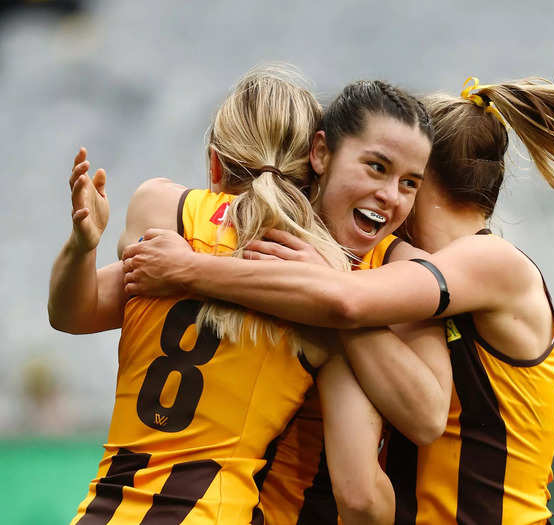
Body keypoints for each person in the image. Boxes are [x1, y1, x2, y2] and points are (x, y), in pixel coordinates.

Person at [122, 12, 554, 524]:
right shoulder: (415, 281)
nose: (387, 200)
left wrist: (192, 270)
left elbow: (346, 304)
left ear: (426, 182)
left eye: (404, 181)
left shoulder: (489, 262)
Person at [49, 68, 446, 525]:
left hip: (102, 511)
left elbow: (70, 313)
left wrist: (86, 248)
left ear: (215, 163)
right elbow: (363, 496)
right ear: (315, 162)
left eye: (408, 183)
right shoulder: (329, 295)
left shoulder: (167, 218)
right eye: (376, 166)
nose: (391, 194)